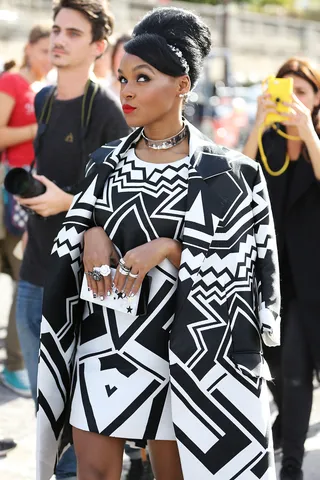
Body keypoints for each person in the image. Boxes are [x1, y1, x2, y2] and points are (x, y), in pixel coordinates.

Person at [36, 6, 280, 480]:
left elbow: (244, 275)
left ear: (182, 85)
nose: (126, 90)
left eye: (142, 78)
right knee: (95, 474)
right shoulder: (105, 163)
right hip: (103, 342)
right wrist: (90, 231)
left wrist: (169, 248)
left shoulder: (229, 173)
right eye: (123, 78)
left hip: (183, 355)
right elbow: (79, 225)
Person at [16, 0, 129, 478]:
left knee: (71, 424)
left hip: (79, 286)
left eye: (73, 33)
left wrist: (67, 203)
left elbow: (127, 201)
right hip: (33, 268)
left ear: (98, 47)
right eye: (56, 29)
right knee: (42, 419)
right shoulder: (41, 99)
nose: (58, 39)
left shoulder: (106, 110)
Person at [243, 57, 320, 480]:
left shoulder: (315, 138)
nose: (293, 102)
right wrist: (258, 122)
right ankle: (288, 437)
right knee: (278, 366)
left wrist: (307, 131)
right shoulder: (268, 141)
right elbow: (235, 179)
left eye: (302, 93)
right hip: (273, 277)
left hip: (314, 280)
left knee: (295, 369)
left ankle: (291, 463)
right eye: (285, 93)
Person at [0, 24, 51, 398]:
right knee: (23, 278)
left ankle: (16, 363)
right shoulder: (13, 82)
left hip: (28, 192)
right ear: (30, 47)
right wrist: (42, 128)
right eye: (46, 47)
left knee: (24, 278)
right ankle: (15, 364)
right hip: (10, 193)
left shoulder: (39, 87)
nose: (53, 54)